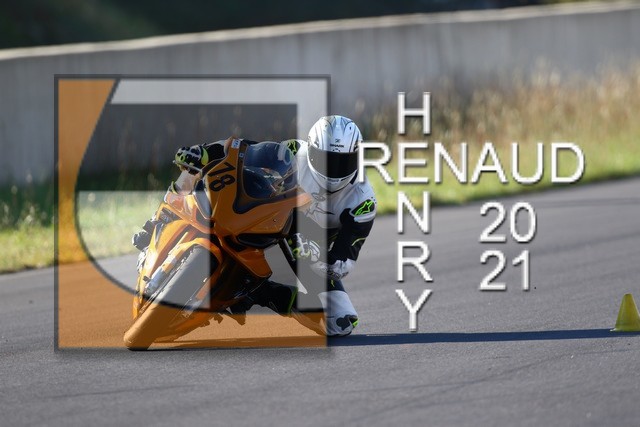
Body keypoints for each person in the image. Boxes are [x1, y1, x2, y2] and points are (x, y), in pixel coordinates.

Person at [132, 115, 376, 337]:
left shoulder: (363, 202)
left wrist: (313, 254)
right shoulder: (294, 150)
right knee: (196, 168)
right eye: (325, 159)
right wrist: (204, 152)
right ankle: (158, 220)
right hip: (270, 220)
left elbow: (342, 264)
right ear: (311, 150)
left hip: (307, 251)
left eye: (343, 162)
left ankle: (261, 294)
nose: (333, 170)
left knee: (340, 322)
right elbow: (244, 150)